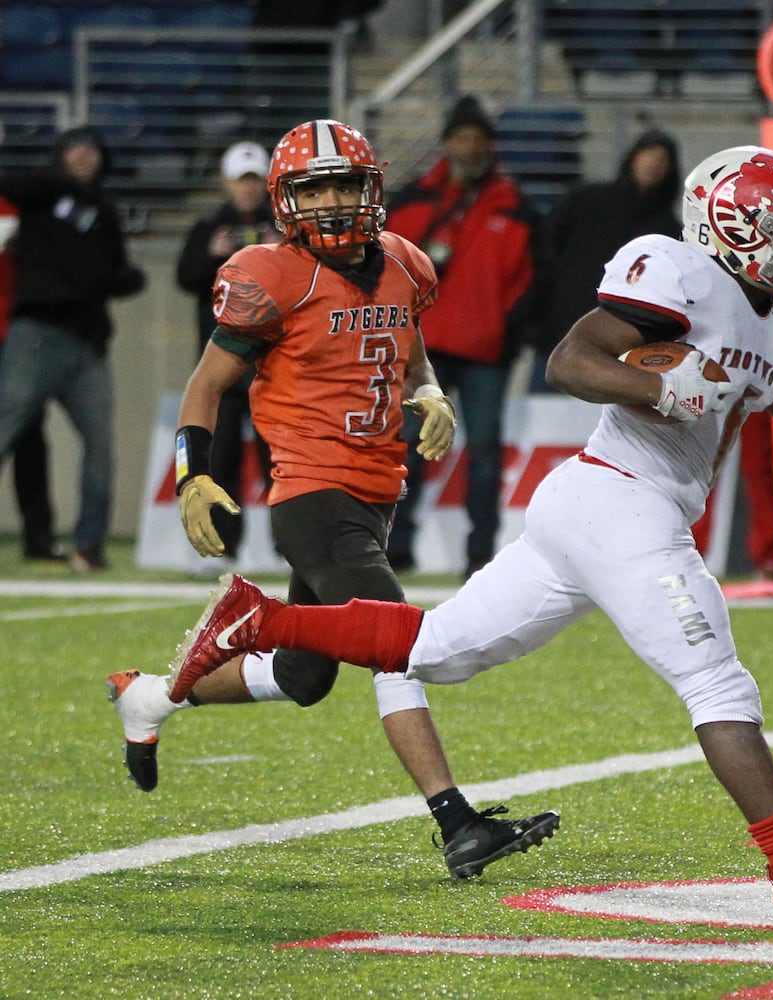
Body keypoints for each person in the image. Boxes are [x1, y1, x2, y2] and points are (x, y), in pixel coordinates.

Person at [159, 145, 773, 925]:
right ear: (732, 226)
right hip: (623, 504)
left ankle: (258, 622)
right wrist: (663, 393)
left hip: (594, 508)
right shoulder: (680, 276)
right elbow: (571, 360)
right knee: (718, 684)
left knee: (434, 650)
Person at [106, 118, 558, 879]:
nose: (333, 202)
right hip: (313, 490)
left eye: (345, 184)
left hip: (377, 488)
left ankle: (149, 698)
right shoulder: (272, 274)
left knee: (301, 677)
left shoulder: (407, 263)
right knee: (398, 645)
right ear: (288, 202)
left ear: (372, 188)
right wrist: (192, 473)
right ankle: (457, 823)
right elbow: (207, 385)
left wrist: (432, 394)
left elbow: (411, 354)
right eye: (315, 190)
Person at [383, 95, 542, 577]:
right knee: (405, 450)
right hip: (420, 352)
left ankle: (479, 554)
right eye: (461, 137)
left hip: (486, 353)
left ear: (488, 146)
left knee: (485, 455)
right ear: (447, 142)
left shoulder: (516, 210)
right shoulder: (410, 203)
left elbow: (535, 281)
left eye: (476, 138)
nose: (468, 146)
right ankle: (396, 546)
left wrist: (507, 330)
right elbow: (382, 269)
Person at [0, 125, 146, 571]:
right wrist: (63, 183)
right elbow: (9, 183)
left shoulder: (104, 211)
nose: (84, 158)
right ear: (60, 157)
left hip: (88, 343)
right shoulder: (42, 195)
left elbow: (120, 270)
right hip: (37, 333)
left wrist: (125, 280)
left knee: (100, 447)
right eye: (75, 150)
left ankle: (89, 546)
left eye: (92, 151)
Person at [176, 141, 278, 566]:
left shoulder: (283, 227)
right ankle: (222, 548)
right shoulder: (208, 228)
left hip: (272, 365)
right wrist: (212, 257)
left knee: (281, 461)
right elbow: (186, 277)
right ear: (227, 183)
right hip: (224, 364)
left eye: (255, 181)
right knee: (221, 461)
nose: (248, 190)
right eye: (242, 181)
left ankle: (287, 547)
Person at [530, 127, 683, 392]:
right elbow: (543, 251)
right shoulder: (587, 199)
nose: (653, 165)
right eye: (649, 156)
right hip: (558, 334)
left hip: (623, 348)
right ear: (633, 157)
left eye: (662, 161)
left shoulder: (670, 229)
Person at [0, 167, 61, 563]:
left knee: (30, 442)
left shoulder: (13, 203)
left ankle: (39, 539)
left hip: (12, 338)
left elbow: (57, 183)